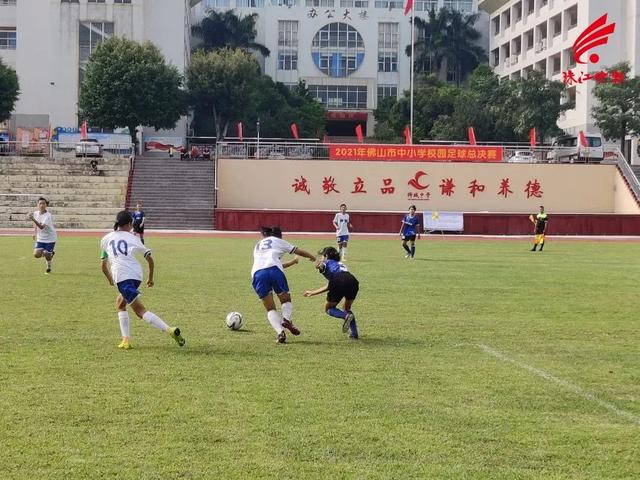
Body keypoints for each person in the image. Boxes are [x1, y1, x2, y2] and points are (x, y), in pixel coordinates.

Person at [100, 211, 185, 350]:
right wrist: (150, 279)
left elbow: (103, 266)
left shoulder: (105, 239)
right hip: (136, 275)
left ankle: (169, 330)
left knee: (140, 312)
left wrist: (110, 280)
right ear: (129, 224)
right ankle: (125, 340)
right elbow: (150, 259)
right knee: (120, 303)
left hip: (122, 277)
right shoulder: (134, 238)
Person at [251, 226, 316, 344]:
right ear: (280, 235)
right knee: (285, 300)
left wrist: (292, 262)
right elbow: (298, 251)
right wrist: (312, 257)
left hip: (257, 274)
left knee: (270, 308)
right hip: (275, 271)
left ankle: (280, 332)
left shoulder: (258, 245)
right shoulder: (278, 241)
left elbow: (271, 264)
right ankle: (287, 319)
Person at [303, 246, 359, 339]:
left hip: (338, 280)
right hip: (353, 280)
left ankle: (346, 316)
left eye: (322, 256)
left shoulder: (326, 262)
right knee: (346, 307)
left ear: (326, 256)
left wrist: (317, 263)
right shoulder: (340, 264)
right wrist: (313, 292)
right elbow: (330, 285)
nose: (321, 258)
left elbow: (323, 266)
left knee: (329, 309)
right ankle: (354, 333)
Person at [28, 197, 57, 274]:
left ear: (46, 205)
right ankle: (50, 254)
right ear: (37, 205)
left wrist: (33, 219)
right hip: (41, 238)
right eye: (40, 203)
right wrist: (34, 233)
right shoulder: (35, 213)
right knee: (36, 255)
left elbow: (41, 227)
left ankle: (49, 267)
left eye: (43, 203)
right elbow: (36, 225)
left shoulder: (48, 216)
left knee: (47, 254)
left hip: (50, 238)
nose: (42, 205)